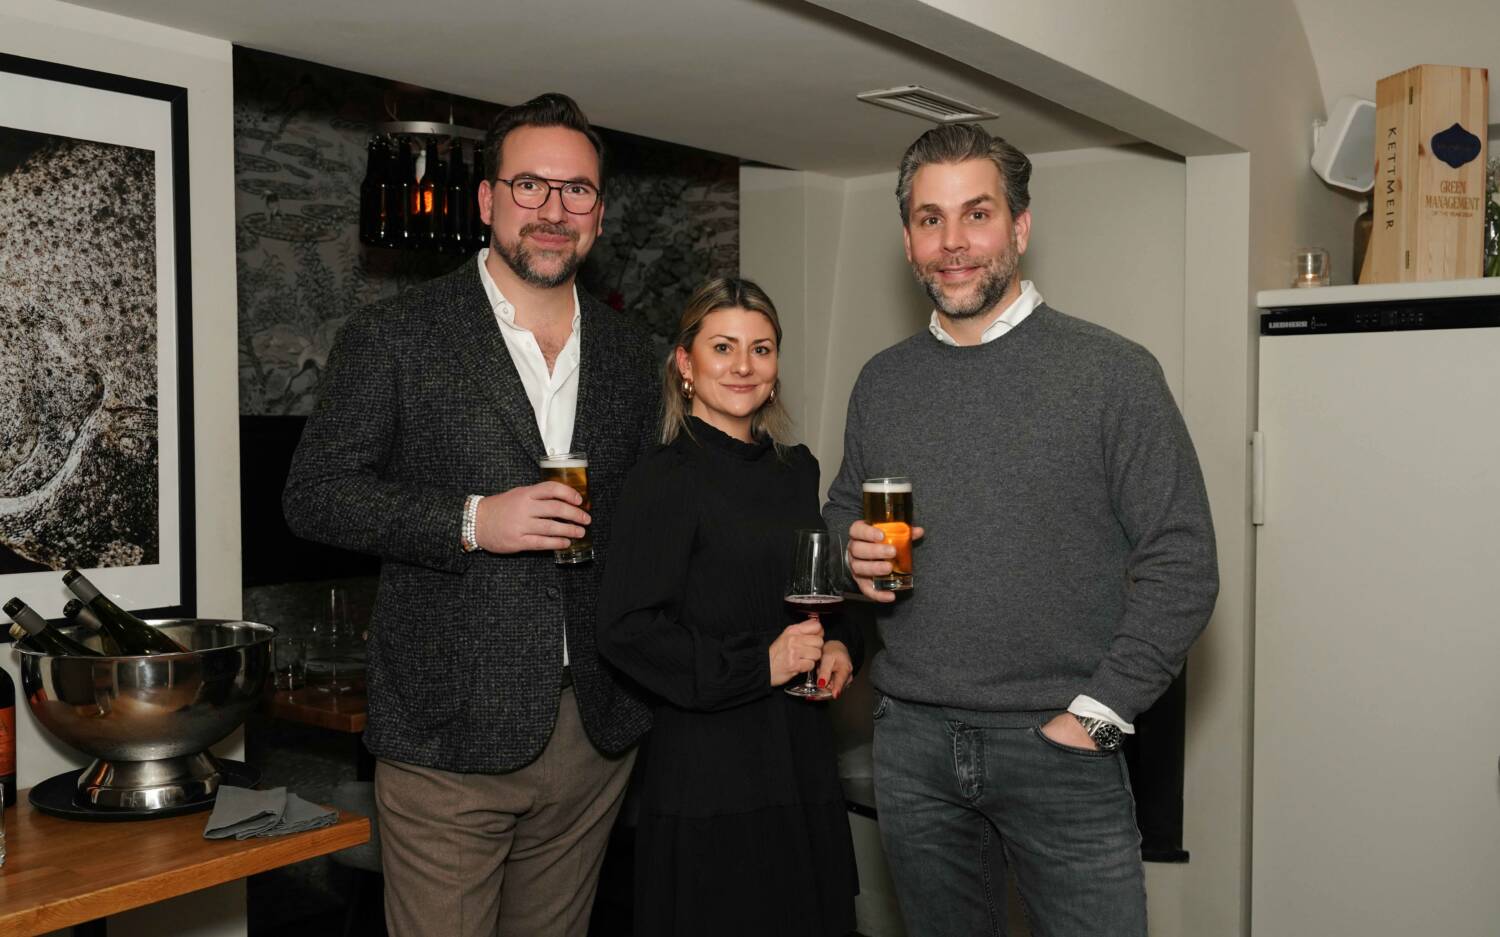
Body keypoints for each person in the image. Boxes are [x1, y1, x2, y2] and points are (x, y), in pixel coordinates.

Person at [824, 122, 1219, 936]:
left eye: (977, 214)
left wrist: (1096, 718)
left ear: (1021, 226)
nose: (954, 241)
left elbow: (1184, 564)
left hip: (1061, 748)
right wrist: (850, 555)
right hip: (914, 749)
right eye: (930, 219)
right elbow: (840, 517)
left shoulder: (1112, 373)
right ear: (907, 239)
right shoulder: (883, 381)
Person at [283, 92, 658, 937]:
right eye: (530, 187)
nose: (554, 212)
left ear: (600, 212)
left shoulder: (639, 357)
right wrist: (470, 519)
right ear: (487, 200)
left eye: (577, 192)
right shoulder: (397, 335)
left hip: (594, 733)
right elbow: (313, 493)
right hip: (446, 737)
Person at [597, 277, 860, 937]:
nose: (744, 366)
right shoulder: (664, 478)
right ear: (685, 363)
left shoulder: (796, 469)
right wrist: (759, 664)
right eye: (723, 346)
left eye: (761, 348)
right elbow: (626, 630)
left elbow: (816, 586)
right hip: (711, 771)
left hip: (800, 758)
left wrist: (837, 643)